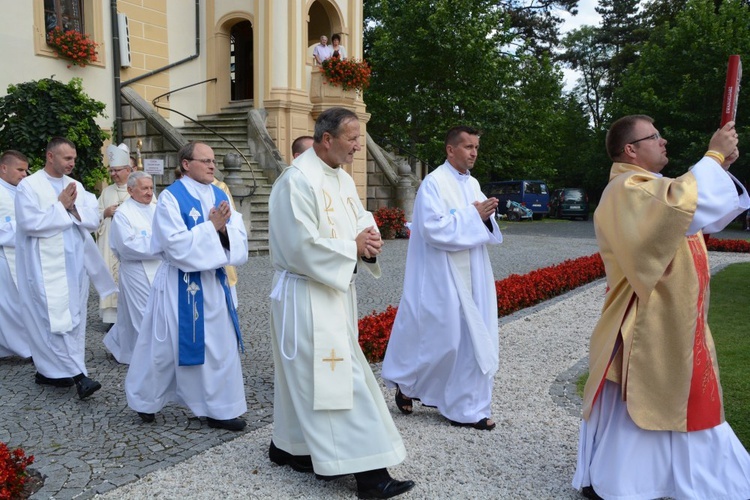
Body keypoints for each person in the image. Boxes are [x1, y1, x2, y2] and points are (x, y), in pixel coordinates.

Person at [573, 115, 750, 500]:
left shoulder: (652, 187)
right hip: (644, 319)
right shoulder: (625, 188)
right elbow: (675, 207)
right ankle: (623, 482)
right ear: (630, 150)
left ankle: (654, 479)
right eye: (653, 136)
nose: (663, 141)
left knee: (677, 392)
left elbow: (700, 213)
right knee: (642, 397)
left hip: (674, 316)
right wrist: (712, 157)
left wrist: (720, 164)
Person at [267, 107, 414, 499]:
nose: (358, 146)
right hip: (307, 294)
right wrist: (351, 247)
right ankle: (370, 473)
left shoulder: (341, 178)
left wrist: (369, 242)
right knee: (338, 380)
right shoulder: (296, 181)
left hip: (333, 292)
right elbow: (299, 245)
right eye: (351, 138)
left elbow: (359, 219)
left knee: (309, 377)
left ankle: (290, 448)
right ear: (326, 138)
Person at [381, 125, 502, 431]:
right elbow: (433, 228)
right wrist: (474, 216)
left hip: (473, 269)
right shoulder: (433, 183)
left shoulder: (473, 184)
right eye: (467, 146)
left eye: (476, 147)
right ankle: (408, 384)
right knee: (442, 337)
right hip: (441, 272)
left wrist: (484, 217)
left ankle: (465, 406)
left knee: (470, 338)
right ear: (451, 149)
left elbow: (482, 223)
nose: (473, 152)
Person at [125, 141, 249, 431]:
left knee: (219, 346)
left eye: (213, 160)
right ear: (185, 164)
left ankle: (218, 409)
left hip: (213, 283)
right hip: (178, 283)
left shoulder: (220, 194)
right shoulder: (171, 197)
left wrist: (222, 230)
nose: (211, 165)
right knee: (164, 347)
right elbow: (174, 245)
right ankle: (146, 399)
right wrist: (211, 228)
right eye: (204, 160)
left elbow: (239, 236)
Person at [15, 137, 116, 399]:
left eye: (73, 158)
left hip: (74, 265)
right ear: (50, 157)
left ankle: (51, 372)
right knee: (50, 318)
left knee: (73, 318)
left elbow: (92, 217)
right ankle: (79, 375)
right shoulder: (29, 186)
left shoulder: (77, 186)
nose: (72, 163)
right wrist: (61, 207)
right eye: (66, 158)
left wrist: (72, 209)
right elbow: (29, 223)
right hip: (43, 267)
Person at [103, 171, 160, 364]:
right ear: (130, 190)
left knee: (149, 311)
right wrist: (160, 244)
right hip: (136, 270)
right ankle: (144, 355)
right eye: (144, 188)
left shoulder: (156, 208)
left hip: (158, 266)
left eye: (151, 188)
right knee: (141, 313)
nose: (149, 192)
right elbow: (127, 245)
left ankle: (121, 347)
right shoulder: (123, 214)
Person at [96, 143, 134, 327]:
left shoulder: (139, 189)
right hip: (110, 243)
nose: (113, 174)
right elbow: (93, 216)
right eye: (111, 171)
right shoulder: (106, 192)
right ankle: (111, 319)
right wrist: (105, 213)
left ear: (128, 170)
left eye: (117, 170)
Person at [0, 150, 31, 359]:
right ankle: (22, 348)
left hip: (21, 254)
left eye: (25, 170)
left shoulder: (21, 191)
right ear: (3, 168)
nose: (24, 175)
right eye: (19, 169)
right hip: (4, 255)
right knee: (9, 305)